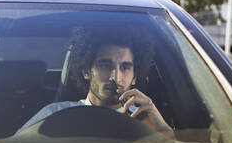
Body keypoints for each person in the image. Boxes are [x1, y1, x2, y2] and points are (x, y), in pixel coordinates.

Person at [16, 28, 173, 137]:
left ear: (134, 77)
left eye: (125, 67)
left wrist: (162, 129)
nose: (116, 77)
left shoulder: (146, 120)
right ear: (86, 71)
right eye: (105, 65)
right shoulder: (54, 115)